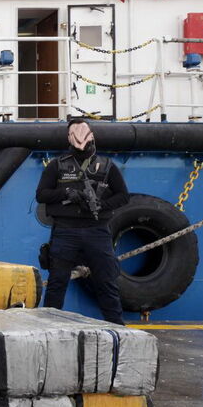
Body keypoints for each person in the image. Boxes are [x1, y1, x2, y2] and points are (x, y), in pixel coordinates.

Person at [36, 118, 129, 324]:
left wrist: (101, 205)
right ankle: (48, 328)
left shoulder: (106, 166)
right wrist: (67, 192)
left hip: (96, 230)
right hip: (65, 230)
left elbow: (123, 196)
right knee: (57, 283)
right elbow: (41, 194)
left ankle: (118, 330)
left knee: (106, 282)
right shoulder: (57, 166)